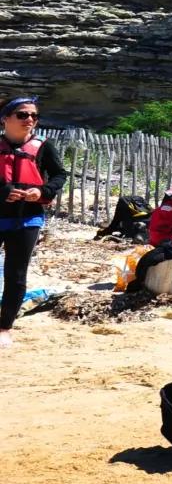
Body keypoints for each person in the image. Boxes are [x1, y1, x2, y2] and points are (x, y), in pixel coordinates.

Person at [1, 95, 65, 345]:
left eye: (34, 116)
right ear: (5, 118)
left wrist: (44, 191)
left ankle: (4, 326)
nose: (29, 119)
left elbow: (59, 175)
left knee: (16, 274)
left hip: (27, 218)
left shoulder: (44, 146)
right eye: (22, 114)